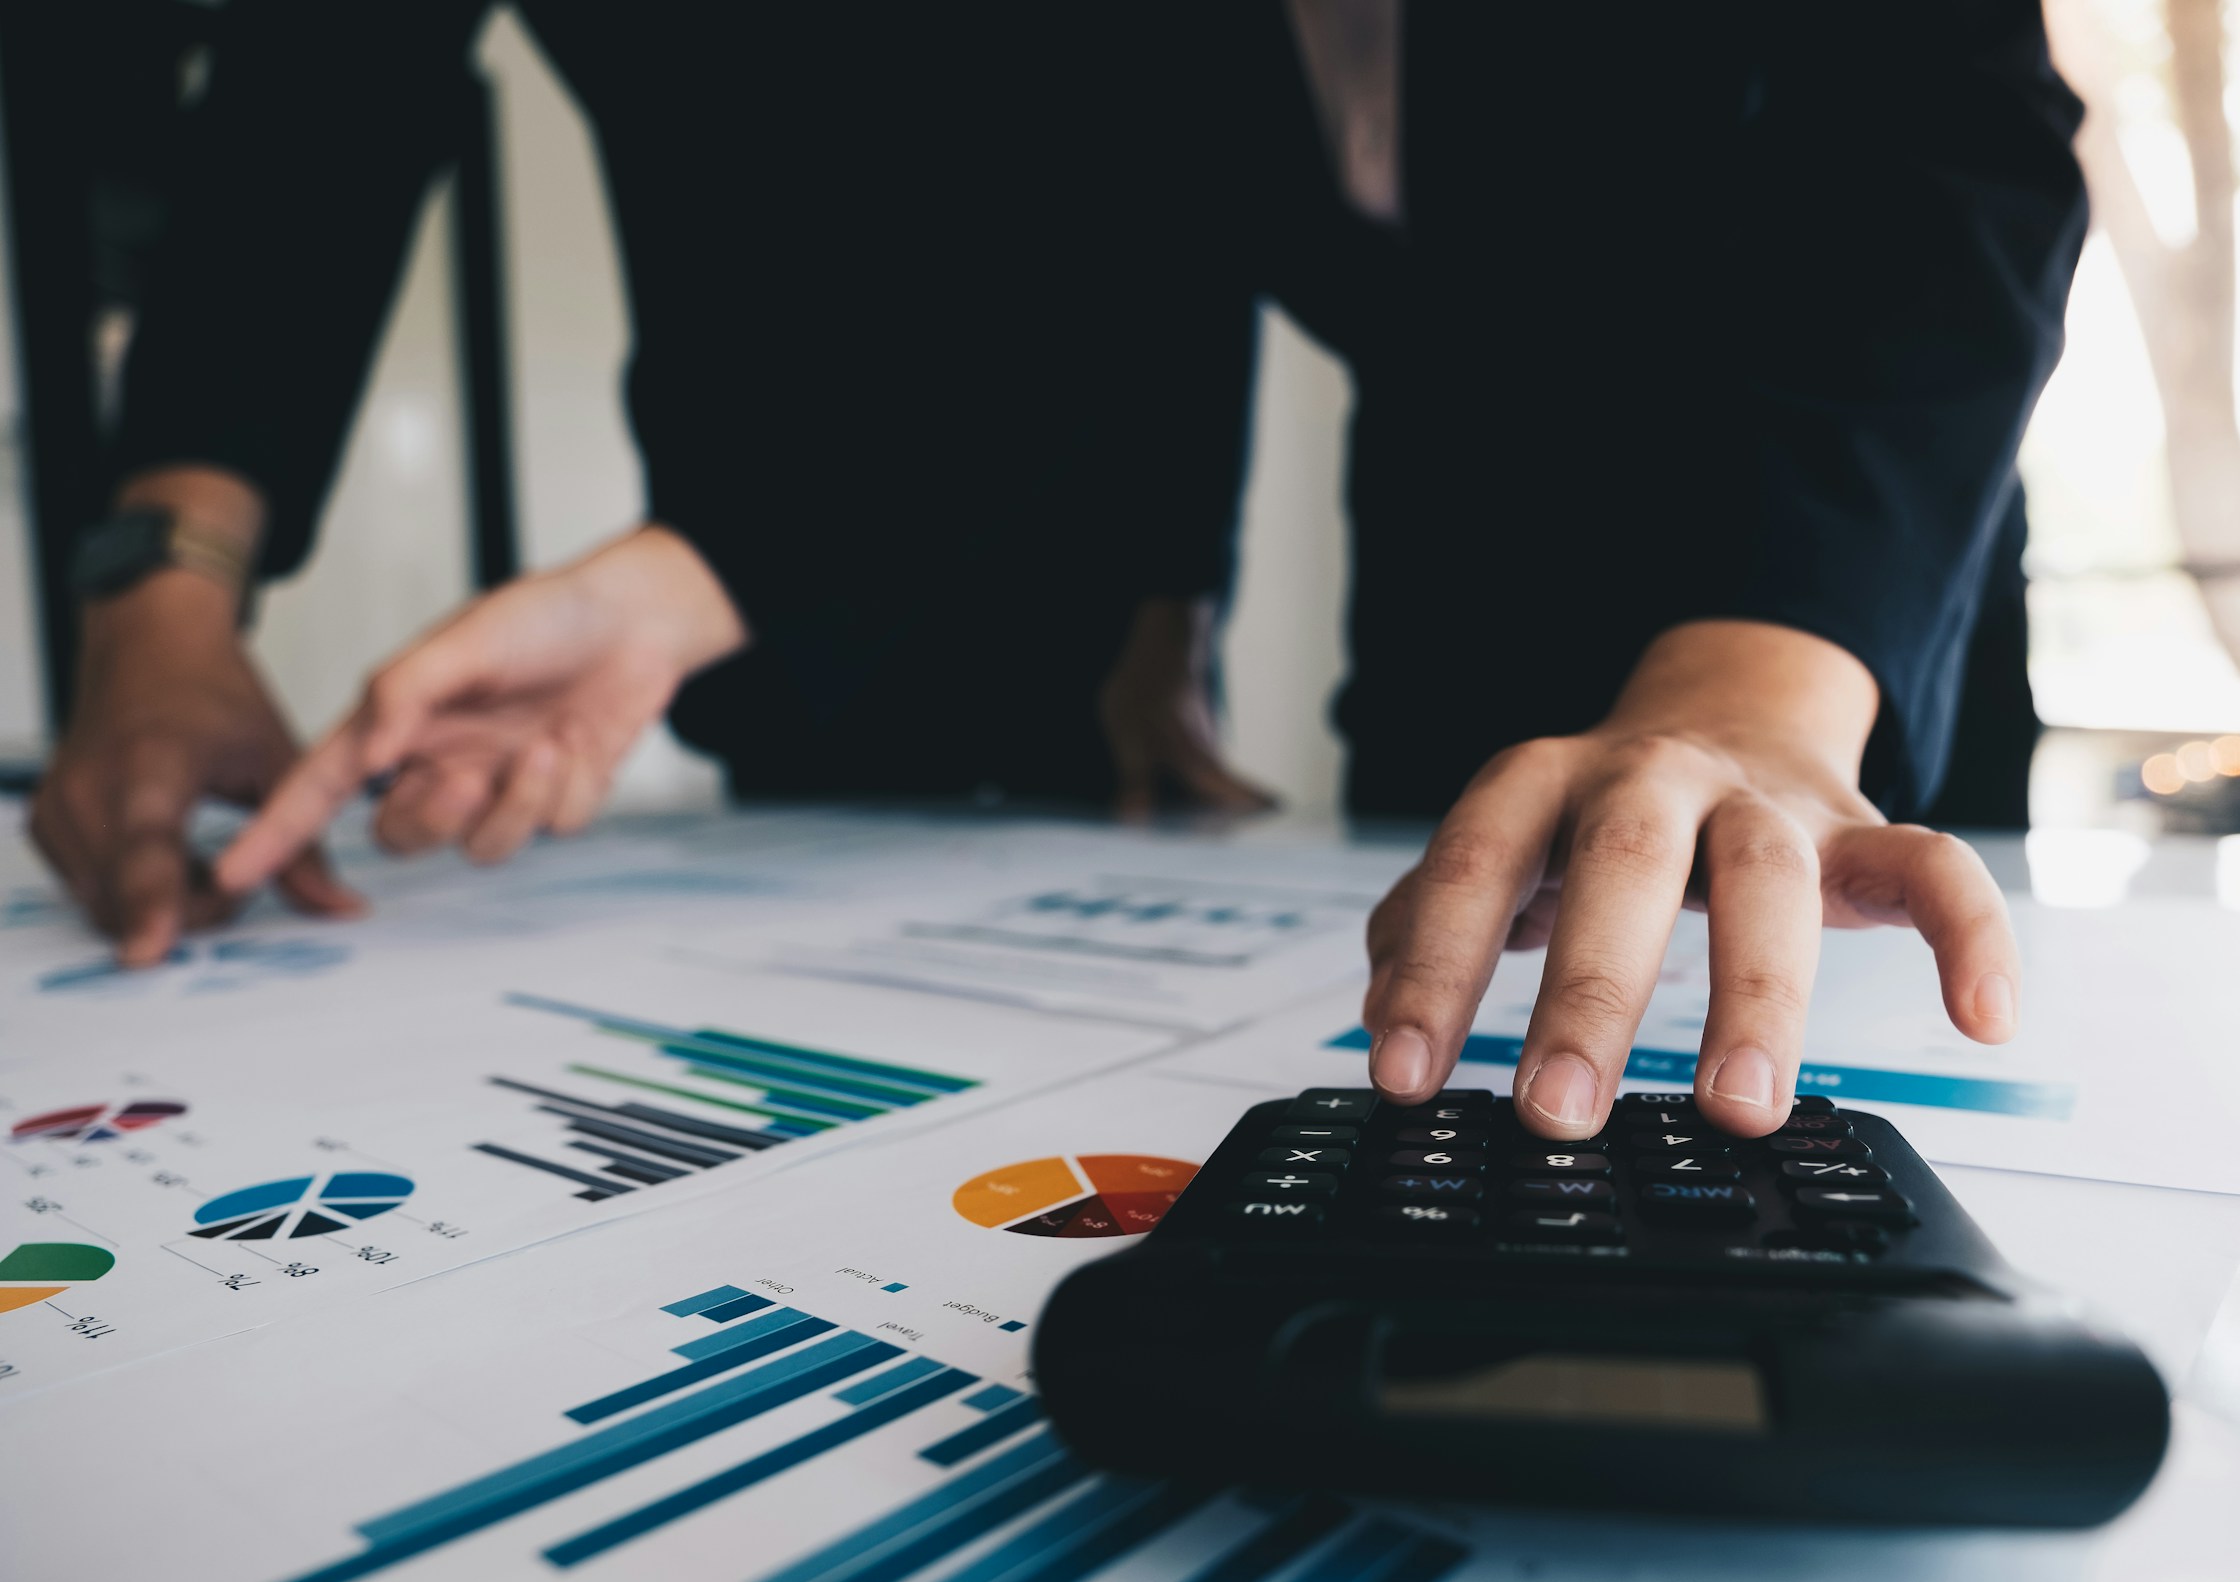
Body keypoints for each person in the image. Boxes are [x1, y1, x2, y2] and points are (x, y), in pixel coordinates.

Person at [30, 4, 1270, 972]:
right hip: (767, 600)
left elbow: (1174, 168)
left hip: (1088, 562)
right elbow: (308, 109)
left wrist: (1177, 598)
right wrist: (161, 593)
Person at [1166, 0, 2087, 1140]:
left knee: (1871, 1114)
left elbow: (1955, 146)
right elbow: (1180, 250)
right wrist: (1167, 619)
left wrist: (1762, 686)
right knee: (1438, 1098)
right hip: (1450, 579)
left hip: (1845, 570)